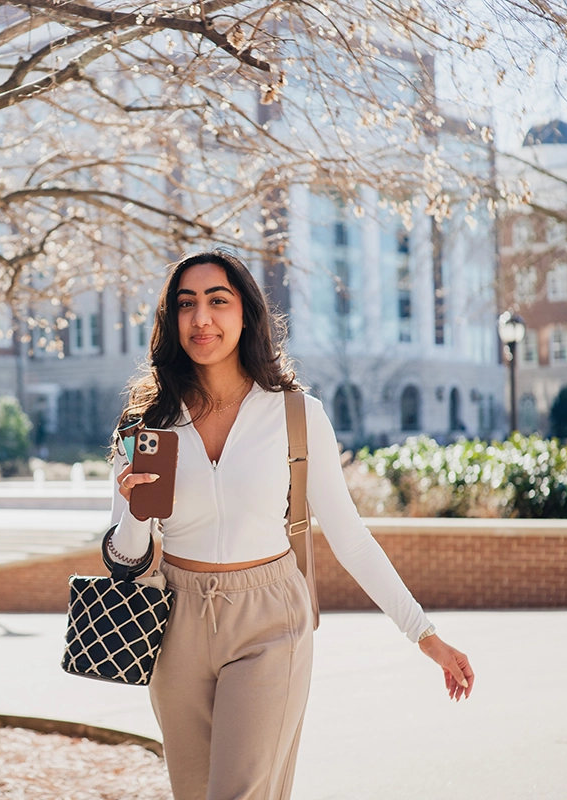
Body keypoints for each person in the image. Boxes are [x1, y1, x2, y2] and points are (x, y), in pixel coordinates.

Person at [108, 250, 474, 800]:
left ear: (246, 314)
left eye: (217, 301)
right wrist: (137, 516)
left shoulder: (295, 414)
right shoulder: (145, 423)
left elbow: (349, 536)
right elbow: (122, 554)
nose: (200, 318)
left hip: (268, 621)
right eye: (186, 304)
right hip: (174, 622)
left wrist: (423, 633)